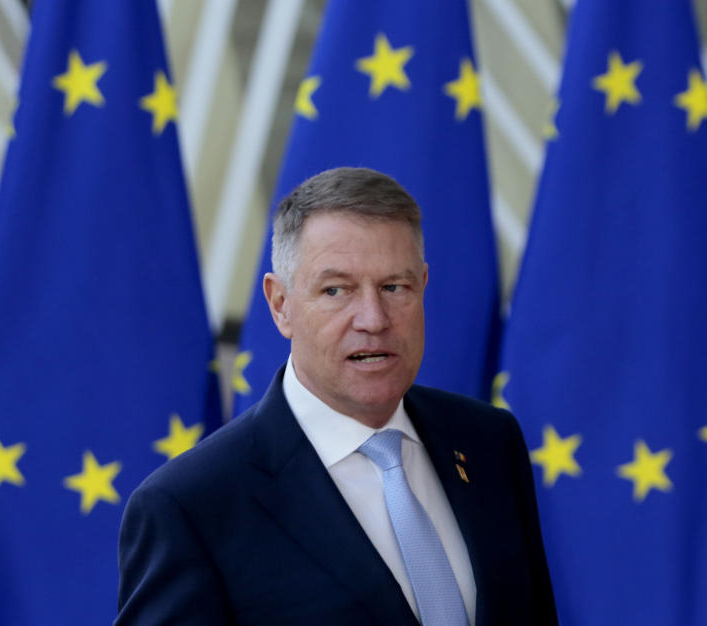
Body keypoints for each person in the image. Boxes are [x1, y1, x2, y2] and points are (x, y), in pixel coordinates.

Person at [116, 167, 556, 625]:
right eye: (336, 290)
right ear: (280, 304)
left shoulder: (489, 442)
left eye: (394, 287)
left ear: (423, 287)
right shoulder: (191, 507)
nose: (373, 318)